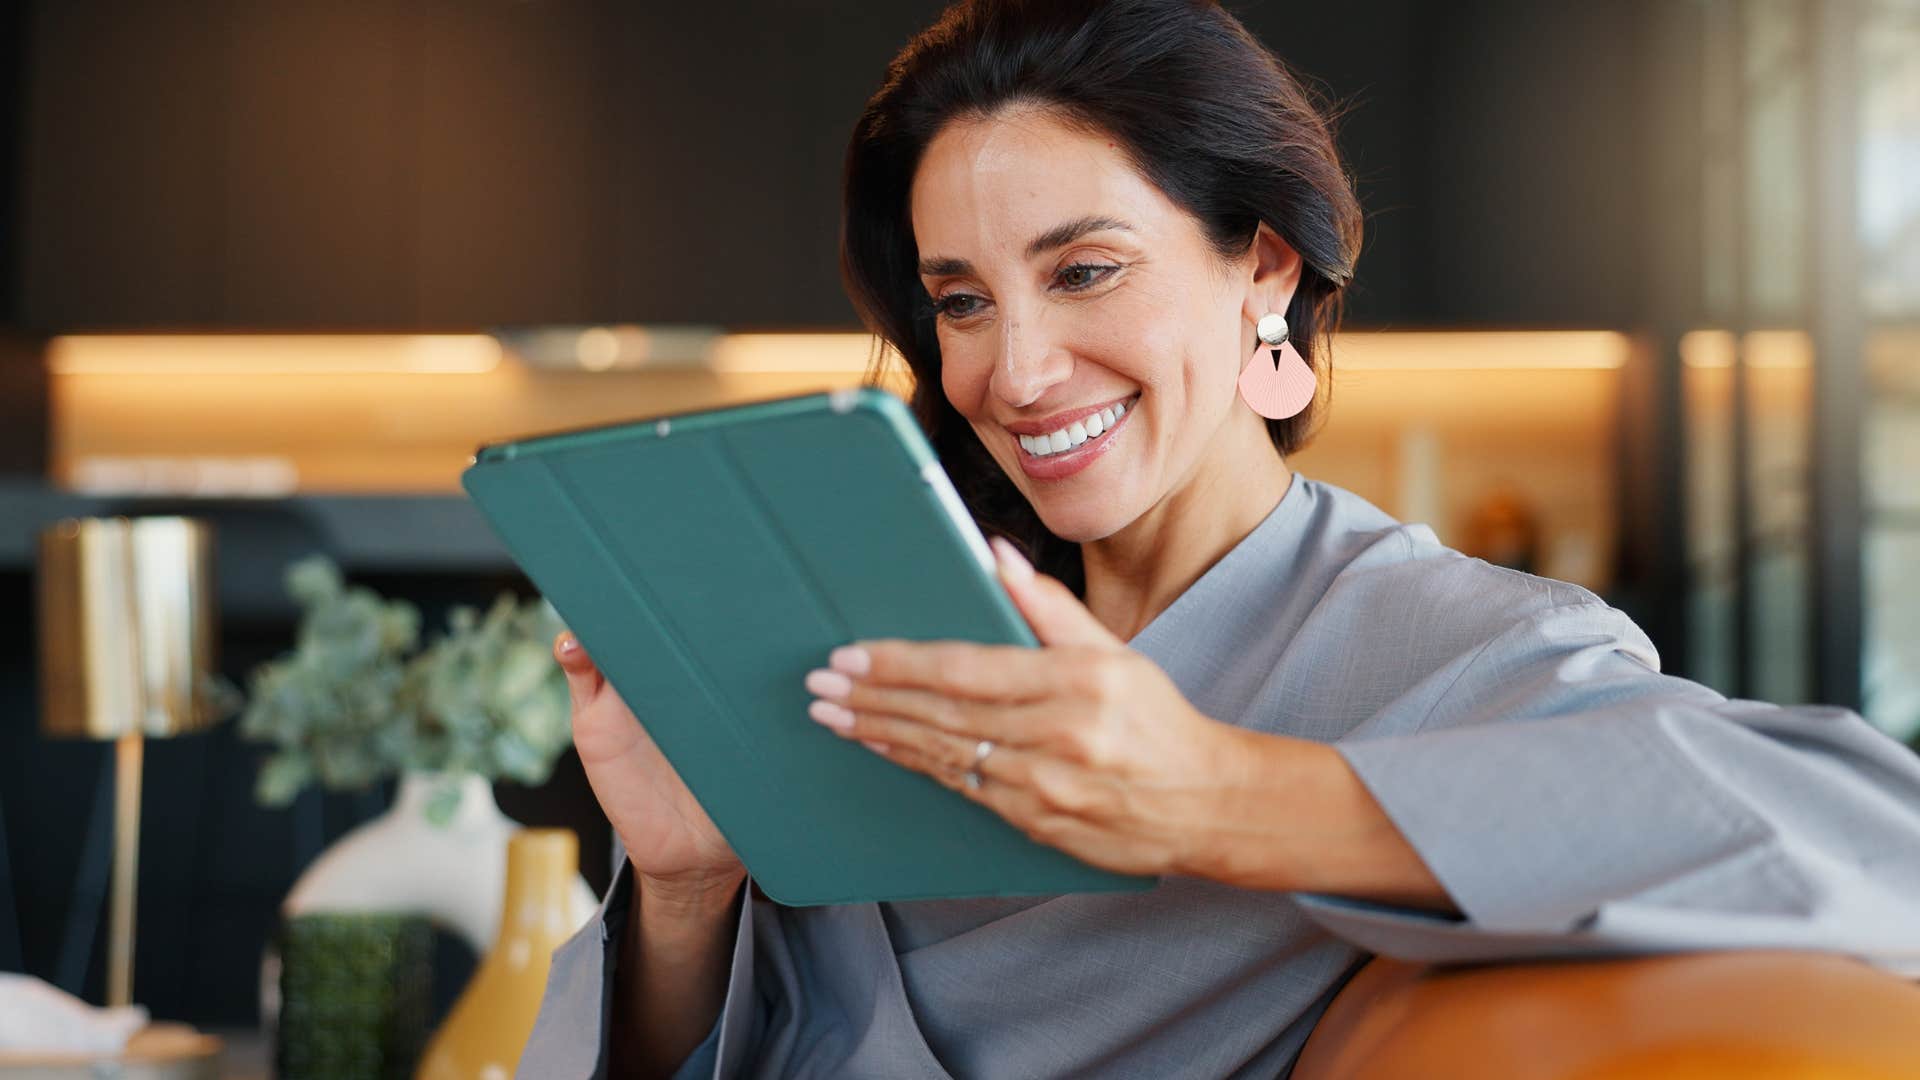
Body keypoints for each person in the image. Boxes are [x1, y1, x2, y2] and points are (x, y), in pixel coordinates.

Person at [518, 1, 1920, 1076]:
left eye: (1085, 270)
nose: (1016, 373)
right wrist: (689, 889)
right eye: (962, 301)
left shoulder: (1450, 649)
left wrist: (1214, 795)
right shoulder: (898, 616)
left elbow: (1877, 849)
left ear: (1265, 268)